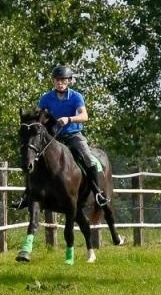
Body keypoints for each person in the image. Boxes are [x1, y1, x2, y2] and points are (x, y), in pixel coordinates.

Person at [25, 65, 108, 209]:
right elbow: (39, 116)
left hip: (73, 135)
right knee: (32, 159)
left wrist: (69, 119)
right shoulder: (46, 98)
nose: (60, 83)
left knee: (88, 158)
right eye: (57, 80)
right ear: (53, 81)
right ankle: (26, 196)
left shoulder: (76, 96)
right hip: (53, 137)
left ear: (69, 81)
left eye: (63, 80)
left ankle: (97, 193)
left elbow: (84, 116)